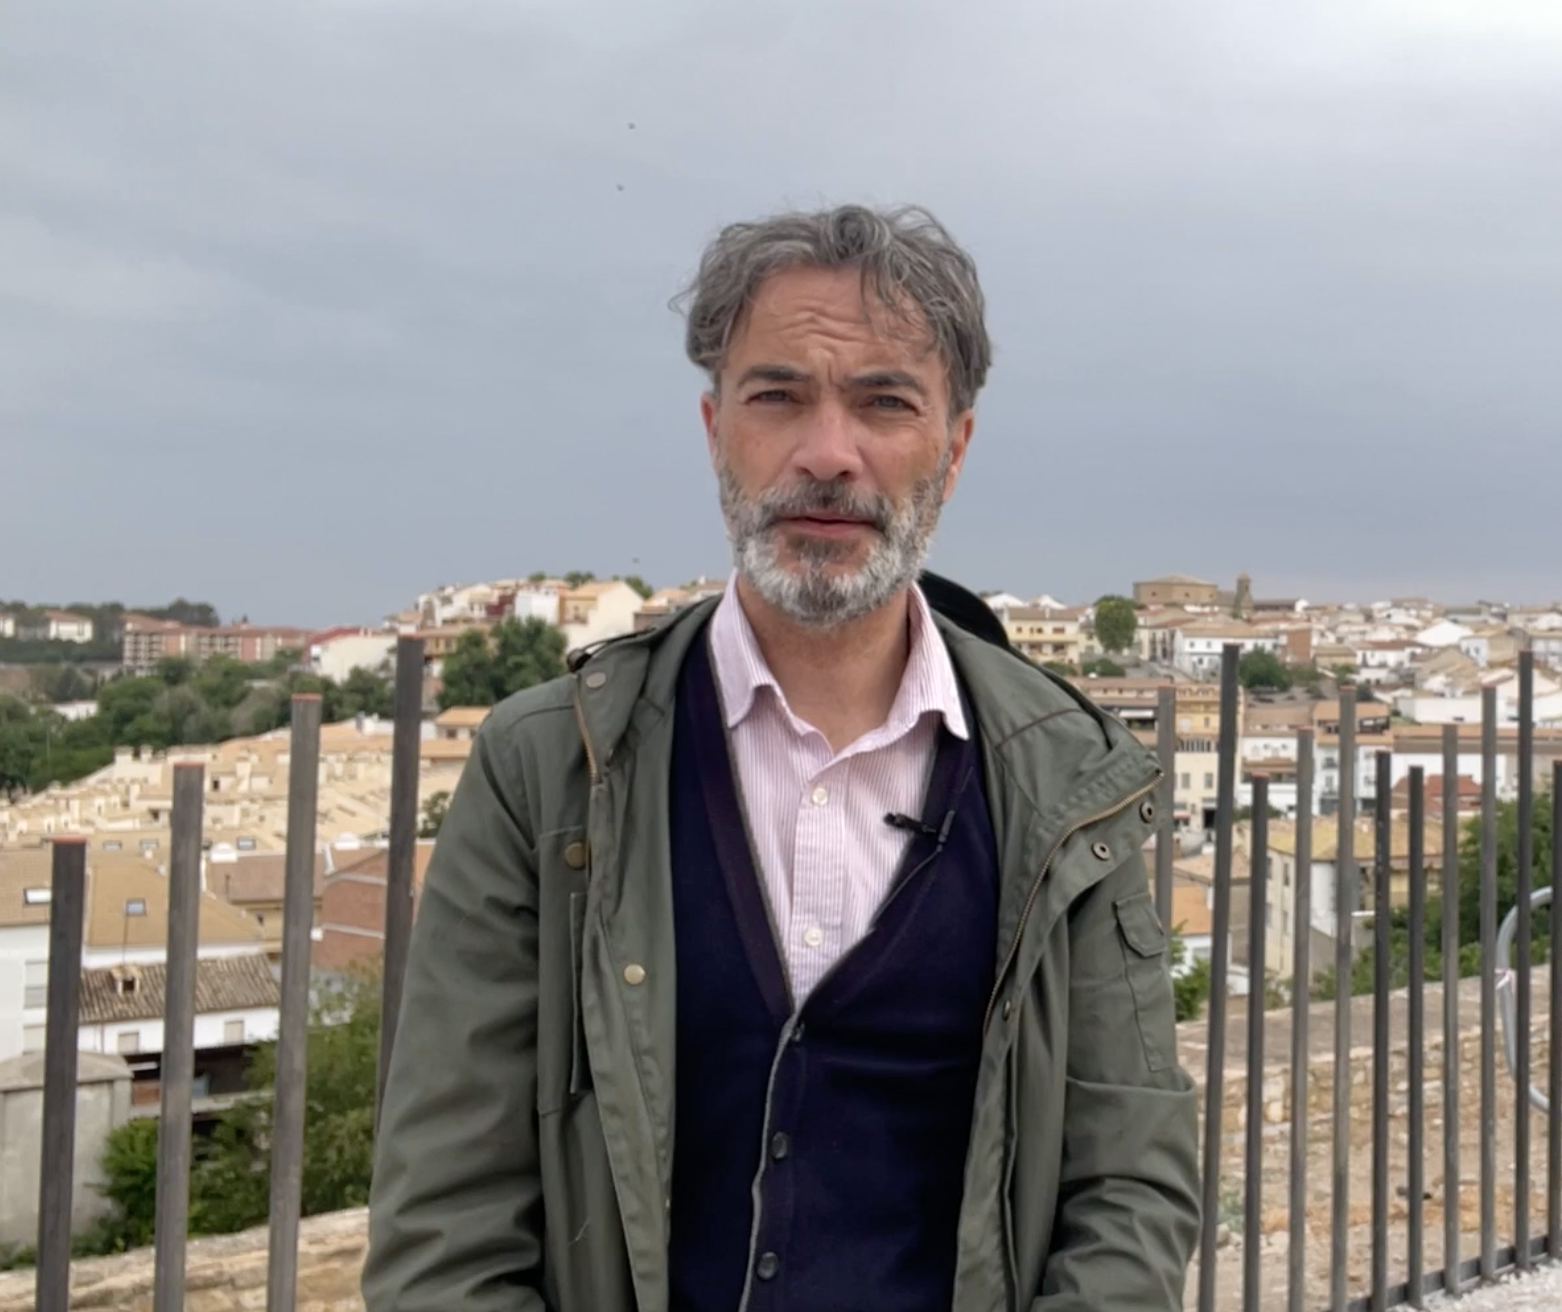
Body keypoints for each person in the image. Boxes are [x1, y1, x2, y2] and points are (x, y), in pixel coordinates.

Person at [363, 203, 1200, 1312]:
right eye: (778, 397)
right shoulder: (546, 771)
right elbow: (446, 1228)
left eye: (884, 402)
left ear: (953, 448)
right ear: (716, 429)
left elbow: (1129, 1182)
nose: (827, 453)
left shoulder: (1067, 778)